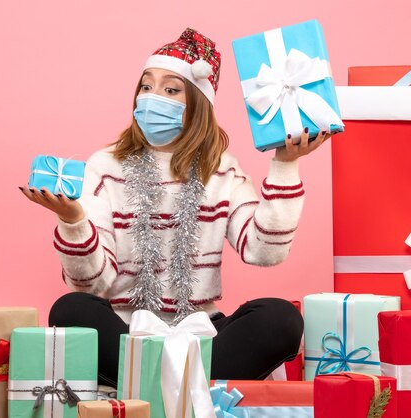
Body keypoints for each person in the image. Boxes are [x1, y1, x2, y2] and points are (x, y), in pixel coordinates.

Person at [20, 28, 330, 387]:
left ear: (198, 103)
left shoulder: (222, 169)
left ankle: (152, 386)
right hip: (125, 331)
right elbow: (93, 282)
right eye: (146, 86)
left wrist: (286, 166)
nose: (153, 98)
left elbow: (263, 251)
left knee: (281, 318)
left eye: (171, 89)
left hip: (202, 333)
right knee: (70, 309)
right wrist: (73, 220)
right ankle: (188, 389)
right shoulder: (104, 165)